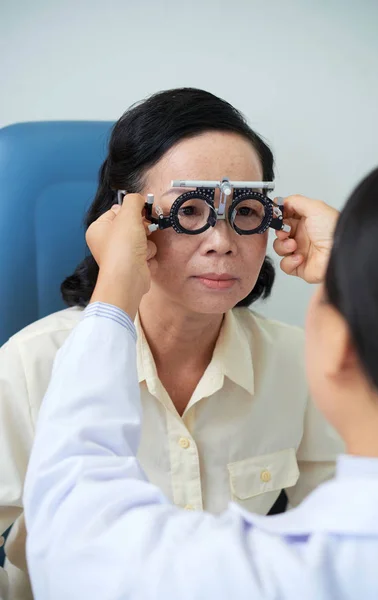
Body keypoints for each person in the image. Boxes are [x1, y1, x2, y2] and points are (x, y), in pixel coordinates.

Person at [0, 89, 341, 599]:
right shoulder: (30, 366)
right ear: (127, 221)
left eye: (245, 211)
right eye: (190, 210)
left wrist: (353, 269)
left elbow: (351, 535)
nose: (222, 240)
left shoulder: (302, 365)